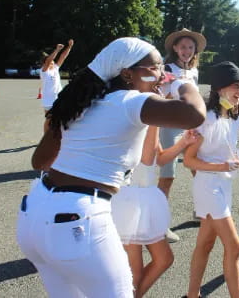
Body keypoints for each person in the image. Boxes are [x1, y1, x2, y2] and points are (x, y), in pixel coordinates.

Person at [16, 37, 206, 297]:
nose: (162, 74)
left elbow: (40, 161)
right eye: (155, 68)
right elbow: (193, 114)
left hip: (34, 211)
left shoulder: (81, 103)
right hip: (77, 217)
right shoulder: (129, 101)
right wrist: (183, 82)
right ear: (127, 74)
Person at [183, 61, 239, 298]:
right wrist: (223, 166)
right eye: (235, 85)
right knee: (235, 248)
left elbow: (230, 158)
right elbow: (189, 160)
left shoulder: (232, 119)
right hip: (208, 187)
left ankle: (192, 294)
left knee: (205, 244)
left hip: (223, 186)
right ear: (220, 88)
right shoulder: (206, 120)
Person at [111, 125, 199, 298]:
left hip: (142, 198)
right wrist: (153, 122)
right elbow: (146, 159)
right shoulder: (138, 119)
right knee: (133, 274)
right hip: (128, 200)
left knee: (164, 258)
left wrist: (184, 142)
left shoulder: (150, 121)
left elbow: (159, 158)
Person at [159, 28, 207, 242]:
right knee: (167, 176)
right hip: (169, 125)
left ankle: (199, 211)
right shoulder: (166, 68)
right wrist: (176, 91)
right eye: (183, 47)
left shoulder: (194, 70)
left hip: (189, 126)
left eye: (190, 47)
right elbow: (158, 96)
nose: (186, 50)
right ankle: (159, 226)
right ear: (175, 48)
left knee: (197, 168)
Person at [40, 39, 74, 132]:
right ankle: (45, 137)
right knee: (49, 119)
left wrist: (69, 46)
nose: (52, 63)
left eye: (53, 62)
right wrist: (57, 50)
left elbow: (63, 57)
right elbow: (49, 60)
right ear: (44, 63)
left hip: (58, 98)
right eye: (50, 62)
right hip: (48, 100)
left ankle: (58, 134)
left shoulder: (55, 68)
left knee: (61, 117)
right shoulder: (44, 71)